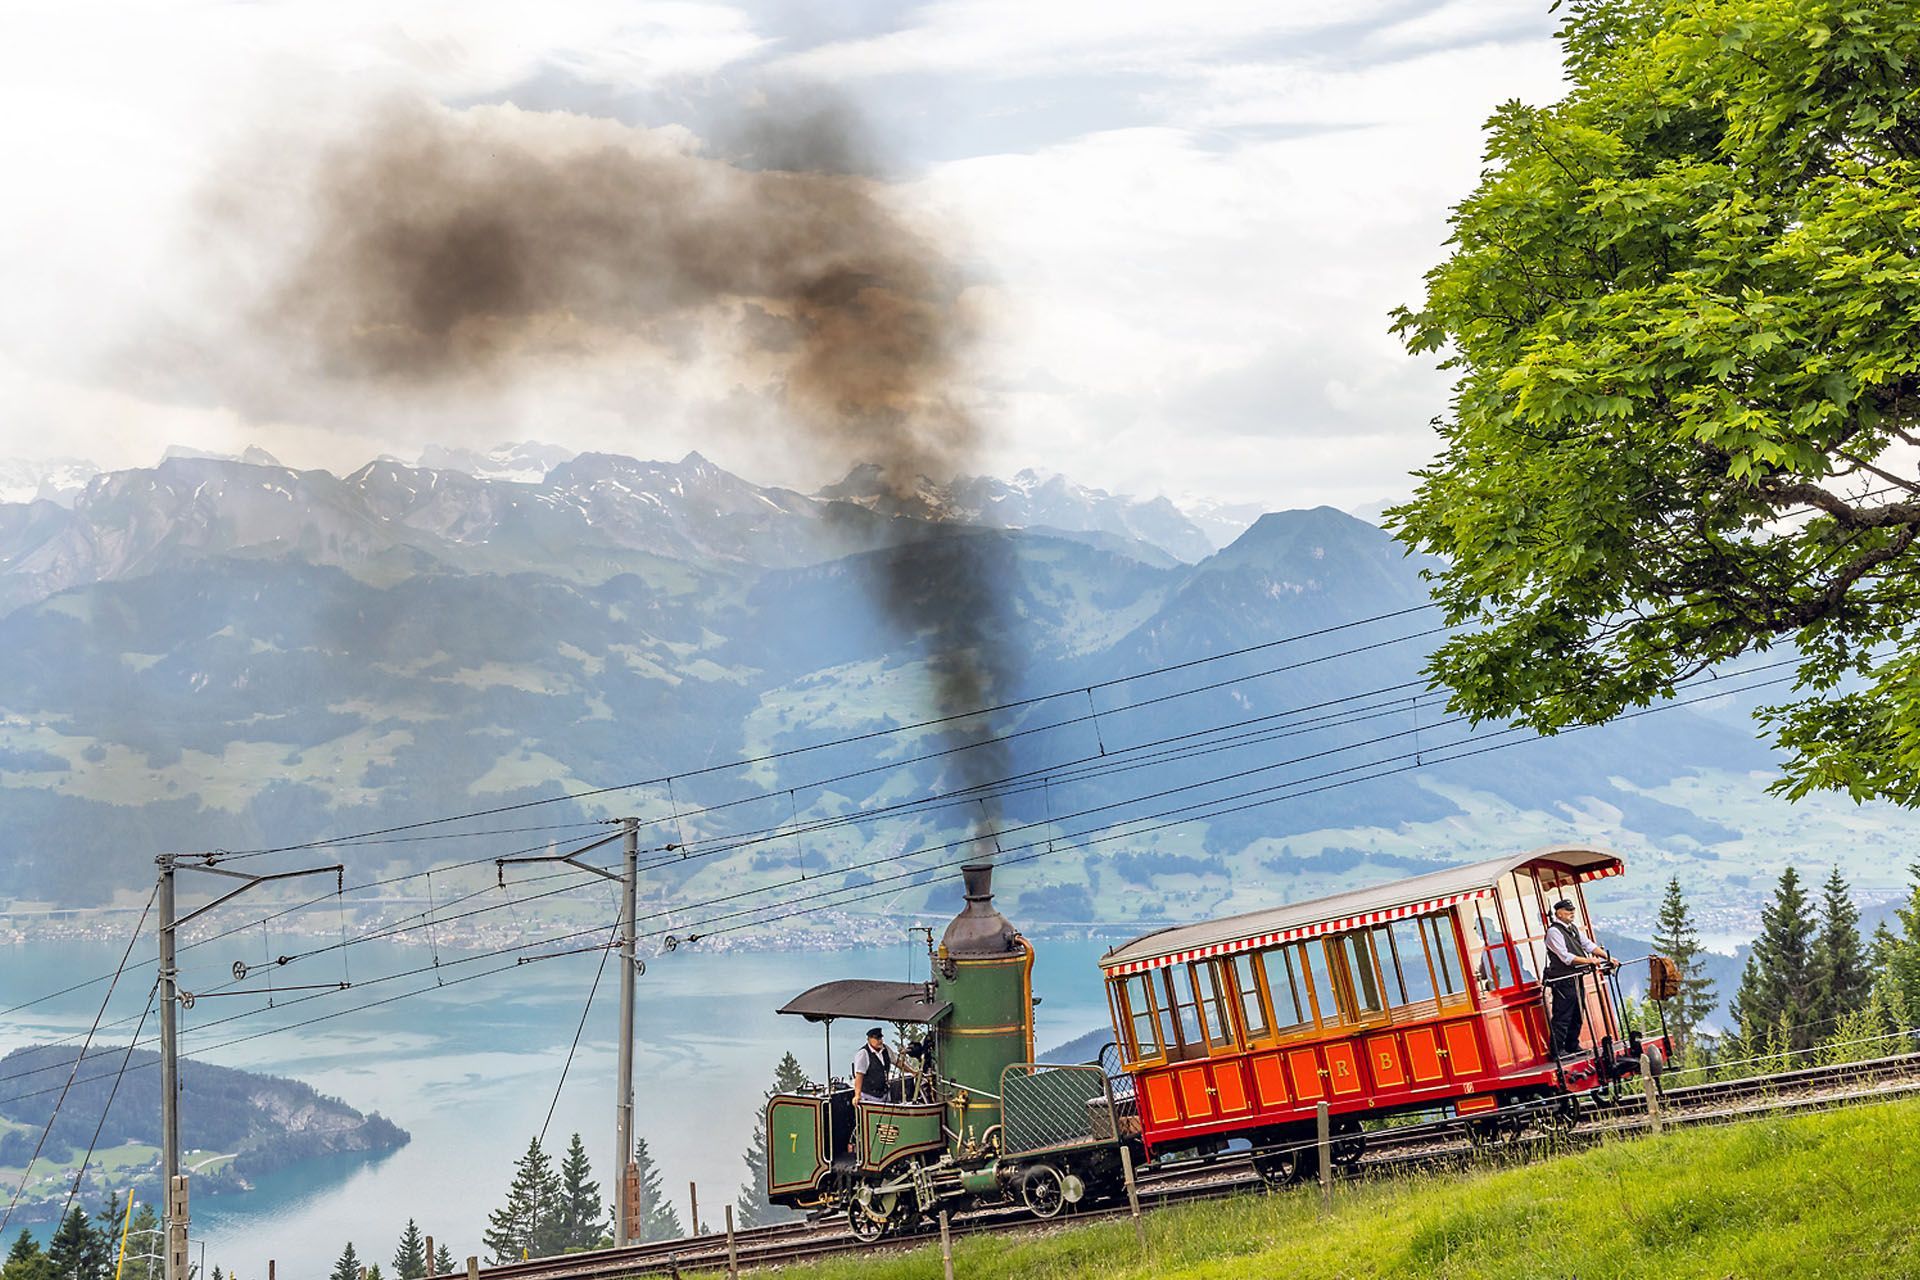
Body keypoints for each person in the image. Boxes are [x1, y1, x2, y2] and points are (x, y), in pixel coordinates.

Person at [1543, 899, 1611, 1056]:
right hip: (1563, 980)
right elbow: (1565, 957)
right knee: (1563, 1014)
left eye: (1572, 910)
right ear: (1559, 913)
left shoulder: (1572, 929)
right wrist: (1589, 960)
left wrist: (1607, 957)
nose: (1571, 913)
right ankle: (1557, 1050)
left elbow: (1588, 945)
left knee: (1578, 1013)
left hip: (1576, 977)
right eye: (1568, 911)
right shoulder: (1554, 932)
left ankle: (1572, 1045)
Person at [851, 1027, 894, 1103]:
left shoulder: (886, 1049)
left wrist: (913, 1072)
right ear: (869, 1039)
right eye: (877, 1039)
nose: (880, 1041)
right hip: (870, 1095)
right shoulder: (863, 1053)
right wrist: (857, 1095)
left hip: (885, 1093)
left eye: (880, 1038)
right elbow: (859, 1075)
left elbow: (898, 1061)